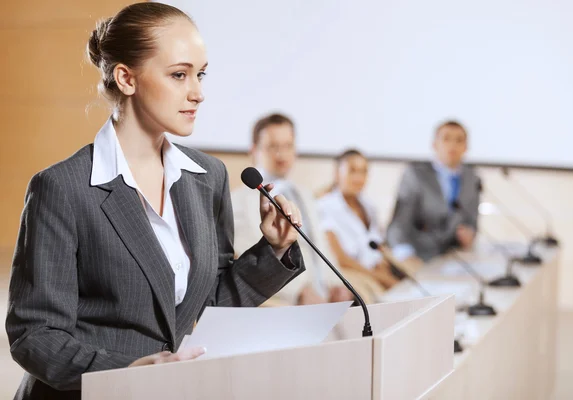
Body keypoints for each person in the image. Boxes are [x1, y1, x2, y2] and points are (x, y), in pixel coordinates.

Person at [5, 3, 305, 399]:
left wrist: (275, 249)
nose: (198, 92)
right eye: (179, 75)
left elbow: (206, 305)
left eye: (200, 74)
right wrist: (126, 373)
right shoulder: (62, 188)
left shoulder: (207, 177)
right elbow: (35, 335)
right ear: (126, 78)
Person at [231, 113, 353, 305]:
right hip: (285, 302)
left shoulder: (304, 195)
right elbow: (250, 261)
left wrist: (336, 284)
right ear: (254, 151)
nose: (282, 155)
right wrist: (298, 292)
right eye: (273, 147)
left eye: (288, 146)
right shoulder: (239, 201)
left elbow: (321, 245)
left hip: (326, 300)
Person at [386, 120, 481, 262]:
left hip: (452, 258)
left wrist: (469, 234)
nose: (452, 145)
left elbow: (471, 221)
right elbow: (399, 224)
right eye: (446, 139)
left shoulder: (471, 178)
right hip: (417, 254)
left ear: (466, 147)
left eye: (459, 140)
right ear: (435, 144)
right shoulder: (416, 174)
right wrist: (405, 254)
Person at [318, 150, 401, 298]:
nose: (358, 178)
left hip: (374, 272)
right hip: (352, 275)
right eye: (352, 171)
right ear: (337, 174)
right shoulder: (325, 207)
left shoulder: (369, 206)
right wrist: (380, 277)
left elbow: (378, 246)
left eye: (363, 172)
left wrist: (384, 268)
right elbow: (341, 259)